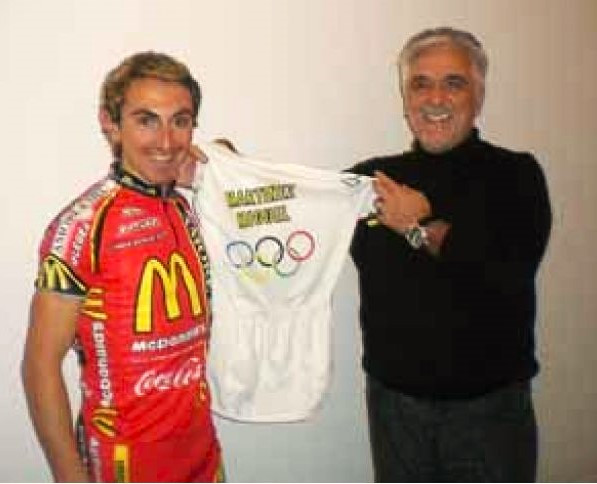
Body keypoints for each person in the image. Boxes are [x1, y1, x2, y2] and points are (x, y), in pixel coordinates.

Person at [349, 27, 552, 482]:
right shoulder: (371, 181)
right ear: (405, 99)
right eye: (420, 84)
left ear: (478, 96)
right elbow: (294, 206)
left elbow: (507, 269)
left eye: (453, 83)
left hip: (490, 415)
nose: (435, 98)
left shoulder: (516, 175)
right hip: (395, 411)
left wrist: (416, 227)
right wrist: (224, 169)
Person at [22, 51, 223, 482]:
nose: (166, 141)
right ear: (110, 123)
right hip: (125, 463)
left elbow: (262, 206)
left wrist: (223, 171)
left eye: (180, 121)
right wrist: (70, 476)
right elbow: (40, 366)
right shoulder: (82, 224)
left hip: (203, 454)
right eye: (146, 120)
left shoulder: (188, 208)